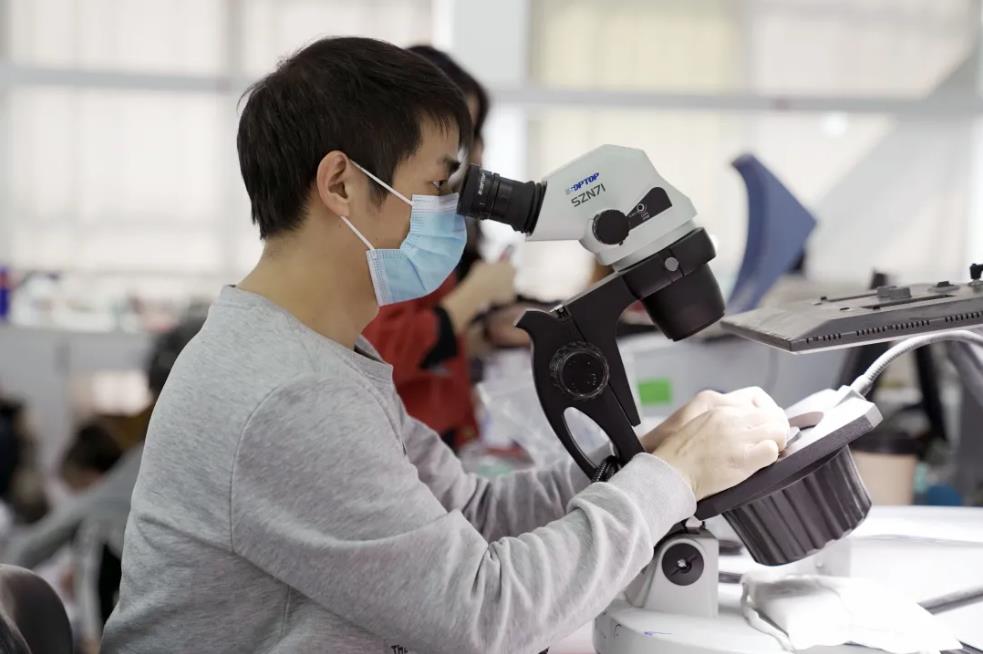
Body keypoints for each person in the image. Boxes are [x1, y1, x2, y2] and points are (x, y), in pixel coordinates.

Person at [101, 37, 788, 654]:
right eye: (437, 185)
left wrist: (643, 456)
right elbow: (485, 615)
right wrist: (668, 480)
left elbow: (471, 514)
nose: (455, 212)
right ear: (341, 184)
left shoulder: (317, 355)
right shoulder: (289, 394)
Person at [363, 45, 523, 449]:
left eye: (472, 133)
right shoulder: (382, 229)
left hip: (442, 437)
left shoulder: (438, 220)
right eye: (456, 135)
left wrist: (485, 332)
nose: (472, 151)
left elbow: (432, 342)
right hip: (399, 442)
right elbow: (382, 351)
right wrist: (475, 294)